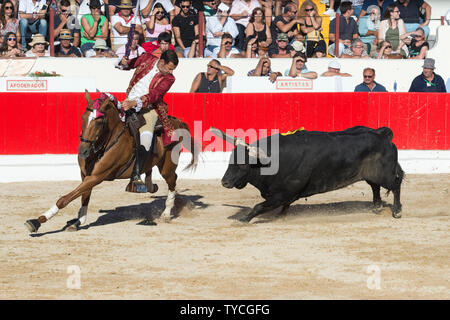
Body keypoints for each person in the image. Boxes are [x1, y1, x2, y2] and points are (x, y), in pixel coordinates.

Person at [116, 50, 180, 192]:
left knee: (146, 138)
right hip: (127, 102)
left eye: (172, 69)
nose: (170, 72)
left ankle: (136, 175)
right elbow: (129, 65)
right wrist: (124, 62)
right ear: (161, 62)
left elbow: (154, 95)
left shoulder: (169, 79)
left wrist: (134, 102)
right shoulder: (147, 58)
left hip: (149, 109)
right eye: (169, 68)